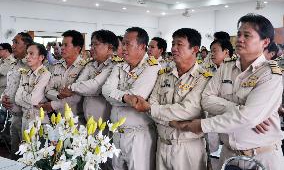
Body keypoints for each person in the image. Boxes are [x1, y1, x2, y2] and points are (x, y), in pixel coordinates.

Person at [169, 13, 284, 170]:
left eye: (247, 35)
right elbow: (206, 99)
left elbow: (248, 117)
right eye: (239, 34)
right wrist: (241, 110)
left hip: (263, 156)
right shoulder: (226, 67)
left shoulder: (270, 74)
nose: (240, 39)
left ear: (265, 42)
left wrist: (202, 125)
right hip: (229, 154)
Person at [124, 28, 210, 170]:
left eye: (179, 44)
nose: (174, 48)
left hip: (187, 147)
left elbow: (188, 110)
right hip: (162, 144)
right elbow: (150, 104)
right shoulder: (164, 75)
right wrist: (174, 121)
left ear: (194, 49)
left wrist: (153, 110)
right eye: (173, 44)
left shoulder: (203, 78)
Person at [102, 27, 159, 170]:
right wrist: (125, 97)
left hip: (138, 135)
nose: (123, 48)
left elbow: (138, 97)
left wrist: (118, 96)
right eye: (123, 43)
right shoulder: (120, 66)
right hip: (116, 133)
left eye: (128, 44)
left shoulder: (152, 67)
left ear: (142, 47)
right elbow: (106, 90)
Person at [61, 29, 118, 122]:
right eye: (91, 44)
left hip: (105, 123)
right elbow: (79, 83)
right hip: (88, 119)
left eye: (96, 44)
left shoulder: (114, 65)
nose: (92, 48)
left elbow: (94, 87)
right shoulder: (90, 64)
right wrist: (77, 87)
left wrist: (71, 88)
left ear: (109, 48)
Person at [40, 30, 87, 124]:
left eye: (66, 45)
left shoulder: (85, 67)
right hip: (57, 118)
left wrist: (53, 104)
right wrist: (57, 95)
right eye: (62, 45)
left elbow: (79, 96)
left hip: (77, 120)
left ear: (77, 48)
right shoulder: (56, 66)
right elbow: (47, 90)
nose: (62, 48)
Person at [1, 32, 33, 160]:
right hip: (14, 116)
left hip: (27, 116)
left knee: (27, 156)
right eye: (13, 42)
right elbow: (8, 86)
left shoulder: (32, 65)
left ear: (26, 45)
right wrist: (3, 98)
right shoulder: (14, 64)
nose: (13, 46)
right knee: (14, 153)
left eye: (16, 43)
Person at [15, 42, 51, 131]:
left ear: (41, 57)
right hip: (25, 119)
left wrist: (23, 95)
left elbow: (33, 100)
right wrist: (30, 102)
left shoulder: (45, 74)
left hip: (39, 120)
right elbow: (17, 99)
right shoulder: (25, 74)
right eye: (27, 53)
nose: (27, 57)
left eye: (31, 53)